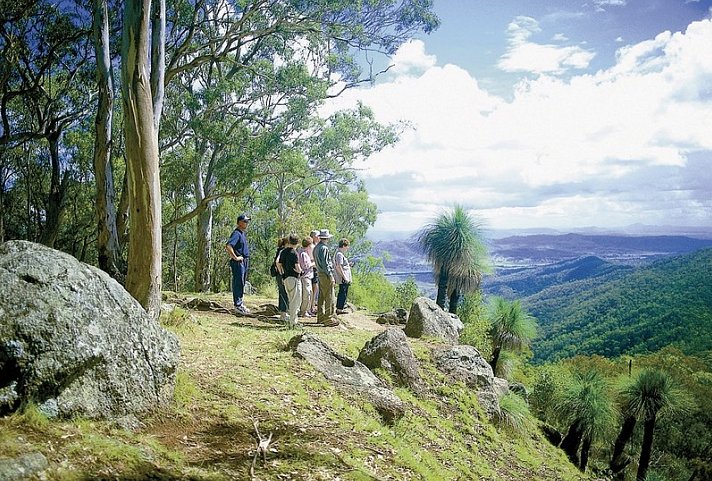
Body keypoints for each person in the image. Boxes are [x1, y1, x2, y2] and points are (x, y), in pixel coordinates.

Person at [225, 214, 251, 314]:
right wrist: (235, 258)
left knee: (242, 283)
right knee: (238, 282)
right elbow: (228, 246)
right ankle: (237, 305)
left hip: (244, 261)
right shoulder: (236, 233)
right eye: (245, 221)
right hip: (239, 262)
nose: (247, 223)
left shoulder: (242, 233)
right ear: (239, 222)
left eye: (247, 221)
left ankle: (240, 303)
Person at [313, 229, 339, 327]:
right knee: (330, 296)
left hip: (320, 273)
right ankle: (329, 318)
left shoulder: (316, 248)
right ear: (327, 238)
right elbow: (326, 264)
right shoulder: (324, 248)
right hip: (325, 274)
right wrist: (331, 276)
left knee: (321, 296)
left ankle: (320, 316)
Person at [278, 234, 303, 328]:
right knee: (295, 301)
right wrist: (301, 272)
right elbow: (297, 267)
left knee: (291, 299)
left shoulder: (283, 251)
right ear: (297, 242)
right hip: (294, 278)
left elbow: (279, 263)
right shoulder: (294, 253)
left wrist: (282, 272)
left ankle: (292, 321)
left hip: (285, 278)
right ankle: (293, 322)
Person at [334, 238, 352, 314]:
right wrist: (344, 277)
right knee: (342, 292)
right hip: (342, 277)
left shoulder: (340, 254)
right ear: (344, 246)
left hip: (343, 276)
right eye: (347, 246)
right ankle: (339, 308)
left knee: (344, 292)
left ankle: (341, 307)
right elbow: (339, 266)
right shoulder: (339, 254)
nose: (347, 248)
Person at [273, 237, 289, 321]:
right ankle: (283, 313)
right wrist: (282, 273)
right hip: (282, 275)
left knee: (282, 293)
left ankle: (282, 311)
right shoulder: (283, 251)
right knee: (284, 293)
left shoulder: (280, 250)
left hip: (279, 275)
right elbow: (277, 262)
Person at [298, 236, 314, 317]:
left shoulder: (302, 252)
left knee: (308, 294)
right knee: (306, 294)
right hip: (305, 277)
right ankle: (303, 311)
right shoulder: (303, 253)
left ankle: (306, 310)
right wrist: (313, 264)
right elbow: (305, 266)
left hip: (307, 277)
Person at [308, 229, 320, 315]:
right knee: (314, 289)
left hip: (315, 269)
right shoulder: (312, 247)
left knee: (315, 289)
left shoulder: (314, 246)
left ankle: (312, 306)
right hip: (313, 269)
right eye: (317, 236)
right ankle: (311, 307)